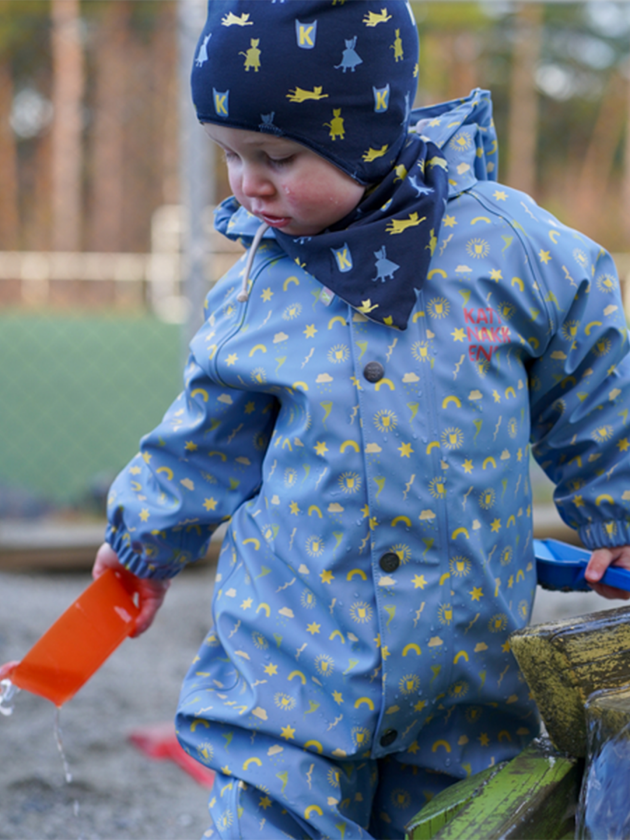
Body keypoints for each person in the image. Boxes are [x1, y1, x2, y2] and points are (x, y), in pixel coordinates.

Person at [93, 2, 630, 837]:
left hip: (464, 680)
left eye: (277, 155)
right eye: (230, 155)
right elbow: (201, 438)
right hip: (292, 674)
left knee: (468, 818)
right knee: (271, 818)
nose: (247, 184)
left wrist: (614, 507)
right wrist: (143, 543)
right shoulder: (257, 290)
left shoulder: (508, 251)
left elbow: (590, 366)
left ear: (367, 132)